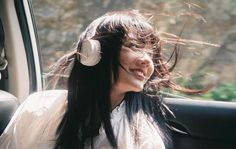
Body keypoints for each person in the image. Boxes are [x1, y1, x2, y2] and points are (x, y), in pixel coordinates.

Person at [0, 10, 203, 149]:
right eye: (133, 46)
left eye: (151, 53)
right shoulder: (38, 107)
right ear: (92, 51)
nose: (146, 60)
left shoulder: (142, 136)